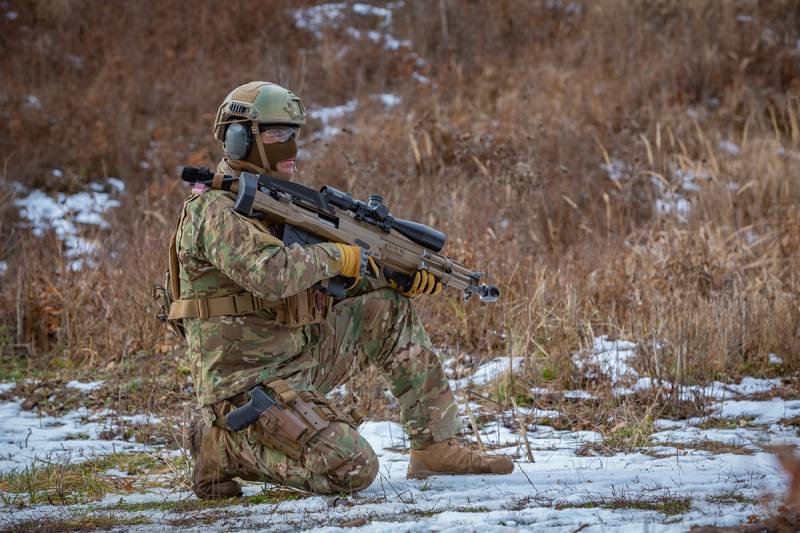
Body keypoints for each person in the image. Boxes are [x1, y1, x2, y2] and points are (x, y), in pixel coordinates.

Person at [170, 81, 513, 499]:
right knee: (352, 469)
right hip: (243, 383)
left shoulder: (281, 204)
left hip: (296, 357)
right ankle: (220, 444)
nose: (290, 147)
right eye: (277, 135)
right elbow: (272, 274)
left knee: (387, 308)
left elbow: (333, 282)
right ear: (239, 139)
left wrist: (394, 276)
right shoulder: (214, 209)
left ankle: (435, 447)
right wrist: (339, 257)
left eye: (294, 134)